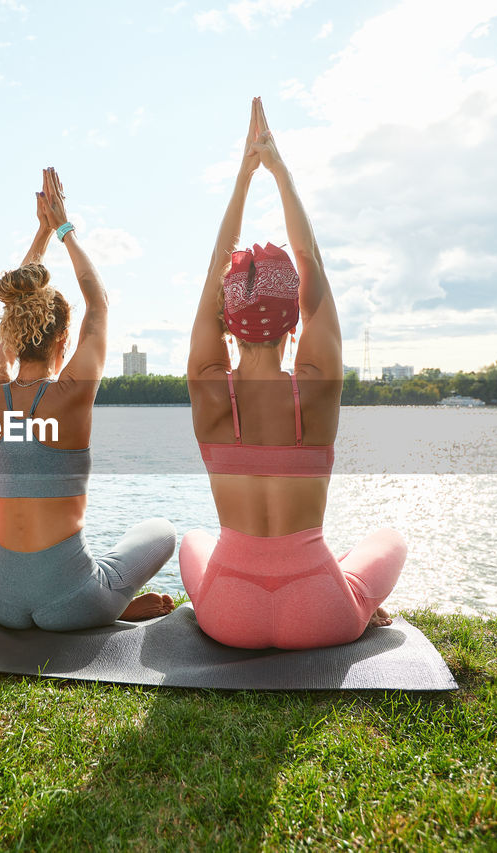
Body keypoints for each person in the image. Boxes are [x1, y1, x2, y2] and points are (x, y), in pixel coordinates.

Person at [181, 99, 406, 649]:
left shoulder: (210, 385)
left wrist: (242, 177)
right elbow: (312, 264)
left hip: (227, 614)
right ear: (292, 328)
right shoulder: (317, 386)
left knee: (192, 538)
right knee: (390, 539)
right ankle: (357, 597)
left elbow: (216, 271)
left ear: (228, 325)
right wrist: (278, 171)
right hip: (319, 611)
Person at [0, 167, 177, 631]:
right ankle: (111, 602)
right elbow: (98, 301)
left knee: (85, 556)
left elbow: (15, 308)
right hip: (69, 603)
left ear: (10, 333)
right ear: (64, 338)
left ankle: (108, 597)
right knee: (160, 531)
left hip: (0, 600)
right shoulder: (69, 395)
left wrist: (41, 235)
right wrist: (63, 228)